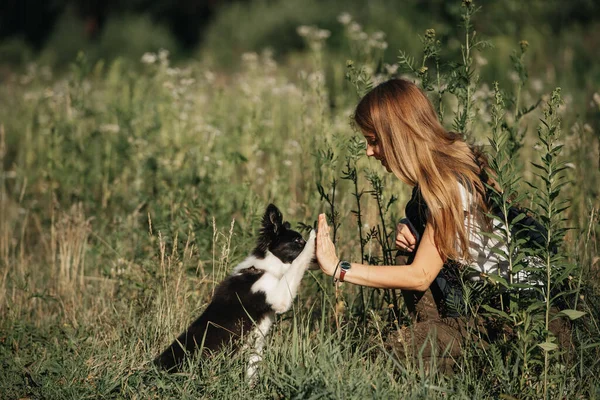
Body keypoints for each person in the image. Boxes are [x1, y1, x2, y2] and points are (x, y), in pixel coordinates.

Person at [315, 78, 517, 370]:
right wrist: (410, 223)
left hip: (511, 320)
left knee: (386, 354)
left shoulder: (447, 183)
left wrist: (338, 268)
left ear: (398, 135)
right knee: (407, 250)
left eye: (374, 141)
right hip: (487, 306)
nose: (369, 152)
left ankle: (459, 361)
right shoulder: (446, 167)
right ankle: (439, 348)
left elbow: (420, 276)